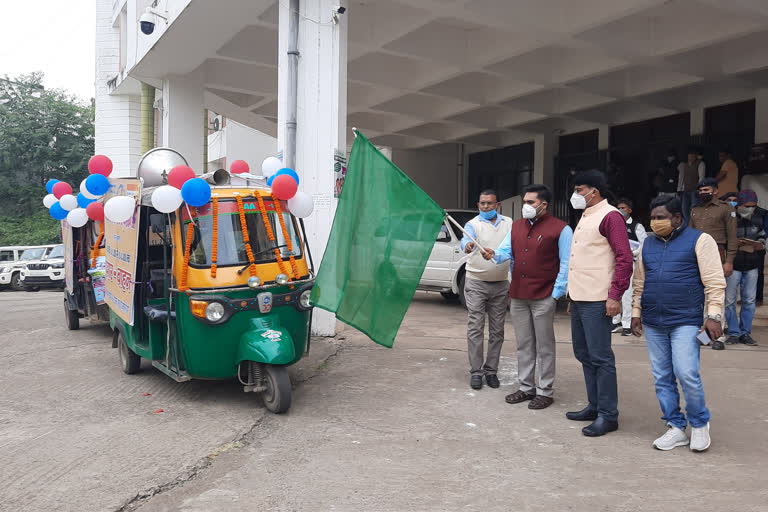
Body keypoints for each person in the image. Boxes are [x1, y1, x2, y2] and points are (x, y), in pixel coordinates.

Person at [631, 195, 725, 452]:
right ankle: (675, 426)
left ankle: (699, 423)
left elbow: (715, 282)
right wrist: (636, 312)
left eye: (660, 217)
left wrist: (713, 316)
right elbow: (639, 282)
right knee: (662, 377)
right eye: (652, 217)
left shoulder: (700, 240)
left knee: (686, 373)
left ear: (677, 218)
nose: (655, 222)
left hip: (685, 320)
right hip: (653, 321)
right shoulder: (647, 244)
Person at [483, 184, 573, 410]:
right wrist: (493, 254)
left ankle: (545, 390)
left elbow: (566, 263)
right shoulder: (516, 227)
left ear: (544, 204)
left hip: (544, 295)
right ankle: (526, 387)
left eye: (530, 202)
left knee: (544, 346)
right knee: (524, 344)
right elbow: (505, 251)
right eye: (524, 202)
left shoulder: (561, 229)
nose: (526, 206)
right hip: (518, 295)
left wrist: (556, 294)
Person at [565, 170, 633, 437]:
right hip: (580, 297)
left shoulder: (611, 216)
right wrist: (572, 295)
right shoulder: (587, 216)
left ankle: (608, 415)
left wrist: (615, 295)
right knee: (583, 353)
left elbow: (624, 258)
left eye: (580, 190)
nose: (576, 195)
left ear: (595, 191)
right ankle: (594, 406)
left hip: (598, 299)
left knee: (601, 357)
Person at [460, 189, 513, 390]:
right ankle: (476, 372)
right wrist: (468, 246)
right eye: (482, 203)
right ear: (478, 205)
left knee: (497, 330)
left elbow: (513, 249)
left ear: (497, 205)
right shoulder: (472, 224)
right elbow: (467, 240)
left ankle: (491, 371)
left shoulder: (509, 223)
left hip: (500, 284)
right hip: (475, 283)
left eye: (489, 204)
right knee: (475, 328)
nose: (485, 207)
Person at [689, 178, 738, 350]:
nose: (703, 193)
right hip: (696, 255)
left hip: (718, 253)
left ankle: (719, 336)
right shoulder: (694, 210)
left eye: (706, 190)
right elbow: (689, 235)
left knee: (716, 294)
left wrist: (729, 261)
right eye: (700, 190)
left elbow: (732, 237)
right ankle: (704, 336)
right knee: (700, 297)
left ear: (716, 191)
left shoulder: (726, 208)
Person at [725, 189, 765, 346]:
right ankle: (734, 333)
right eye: (747, 206)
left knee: (749, 301)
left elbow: (762, 235)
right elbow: (723, 238)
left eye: (753, 206)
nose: (750, 209)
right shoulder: (730, 218)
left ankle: (745, 333)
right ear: (740, 205)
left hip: (752, 265)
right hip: (733, 265)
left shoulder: (758, 217)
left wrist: (760, 243)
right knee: (729, 301)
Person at [612, 198, 647, 336]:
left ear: (630, 210)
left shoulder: (636, 226)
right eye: (618, 207)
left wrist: (632, 253)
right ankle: (616, 321)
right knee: (614, 293)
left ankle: (627, 324)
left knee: (627, 295)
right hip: (614, 263)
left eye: (624, 208)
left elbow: (644, 244)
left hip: (630, 263)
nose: (621, 210)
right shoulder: (613, 224)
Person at [677, 146, 705, 223]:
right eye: (689, 155)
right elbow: (681, 178)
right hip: (685, 190)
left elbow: (701, 178)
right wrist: (680, 189)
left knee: (694, 208)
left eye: (692, 155)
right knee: (684, 209)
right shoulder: (684, 165)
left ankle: (694, 225)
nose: (690, 156)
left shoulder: (700, 163)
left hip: (694, 190)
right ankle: (688, 224)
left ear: (696, 155)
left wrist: (699, 189)